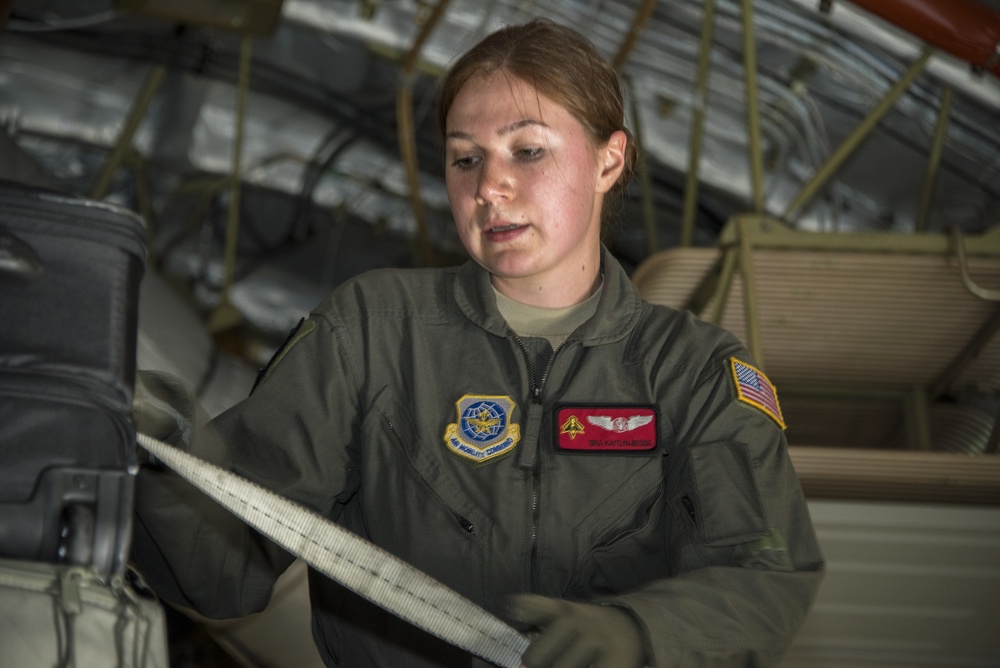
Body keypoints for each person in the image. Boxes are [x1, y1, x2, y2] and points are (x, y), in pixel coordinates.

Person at [132, 17, 824, 668]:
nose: (490, 186)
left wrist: (638, 635)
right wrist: (156, 461)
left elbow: (764, 571)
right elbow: (223, 573)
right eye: (466, 159)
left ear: (610, 161)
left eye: (527, 151)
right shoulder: (372, 331)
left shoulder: (694, 372)